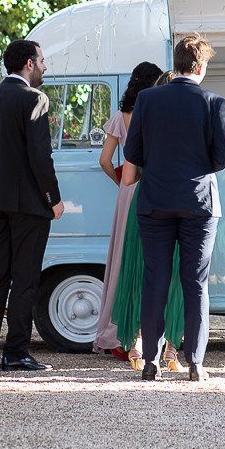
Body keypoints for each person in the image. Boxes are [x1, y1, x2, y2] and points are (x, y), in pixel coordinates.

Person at [124, 33, 225, 382]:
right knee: (196, 283)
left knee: (155, 280)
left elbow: (132, 155)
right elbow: (223, 158)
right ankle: (196, 362)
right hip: (199, 203)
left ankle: (151, 362)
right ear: (201, 67)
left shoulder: (146, 99)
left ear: (176, 64)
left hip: (154, 200)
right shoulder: (213, 102)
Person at [0, 39, 64, 373]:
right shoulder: (35, 99)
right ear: (28, 63)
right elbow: (40, 156)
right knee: (25, 280)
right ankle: (16, 352)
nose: (44, 66)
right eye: (42, 60)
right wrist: (53, 199)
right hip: (28, 205)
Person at [92, 61, 162, 360]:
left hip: (128, 189)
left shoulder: (120, 116)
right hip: (154, 187)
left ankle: (117, 332)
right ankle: (147, 335)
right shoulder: (158, 113)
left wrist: (121, 181)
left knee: (122, 259)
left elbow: (105, 160)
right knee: (149, 261)